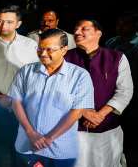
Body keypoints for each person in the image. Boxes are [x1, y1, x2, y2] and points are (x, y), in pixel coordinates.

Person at [8, 29, 94, 167]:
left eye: (49, 50)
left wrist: (50, 138)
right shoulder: (26, 71)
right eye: (40, 48)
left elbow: (77, 112)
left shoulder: (80, 76)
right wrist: (30, 132)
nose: (43, 54)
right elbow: (15, 101)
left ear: (64, 50)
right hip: (27, 145)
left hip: (61, 150)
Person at [0, 5, 39, 167]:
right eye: (0, 21)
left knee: (24, 152)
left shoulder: (30, 45)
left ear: (18, 24)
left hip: (24, 105)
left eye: (9, 22)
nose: (4, 26)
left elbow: (35, 76)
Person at [64, 19, 133, 167]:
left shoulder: (117, 58)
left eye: (84, 29)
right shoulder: (64, 58)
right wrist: (83, 111)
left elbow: (125, 91)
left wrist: (100, 114)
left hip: (107, 130)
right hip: (73, 131)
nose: (77, 32)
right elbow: (57, 92)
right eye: (76, 29)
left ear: (98, 33)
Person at [105, 12, 138, 166]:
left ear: (134, 25)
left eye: (124, 24)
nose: (120, 27)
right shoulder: (112, 42)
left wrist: (137, 104)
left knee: (126, 139)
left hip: (130, 99)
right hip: (107, 96)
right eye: (119, 23)